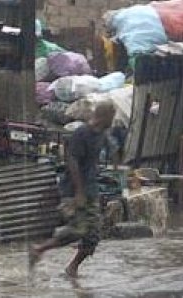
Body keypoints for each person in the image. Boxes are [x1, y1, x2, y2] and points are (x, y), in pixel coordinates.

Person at [29, 101, 118, 278]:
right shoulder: (82, 133)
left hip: (91, 190)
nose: (113, 121)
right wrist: (78, 192)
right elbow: (72, 161)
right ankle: (39, 249)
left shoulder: (101, 133)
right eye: (111, 118)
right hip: (73, 191)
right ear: (104, 117)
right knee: (78, 229)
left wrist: (116, 160)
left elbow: (112, 147)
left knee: (92, 236)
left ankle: (72, 268)